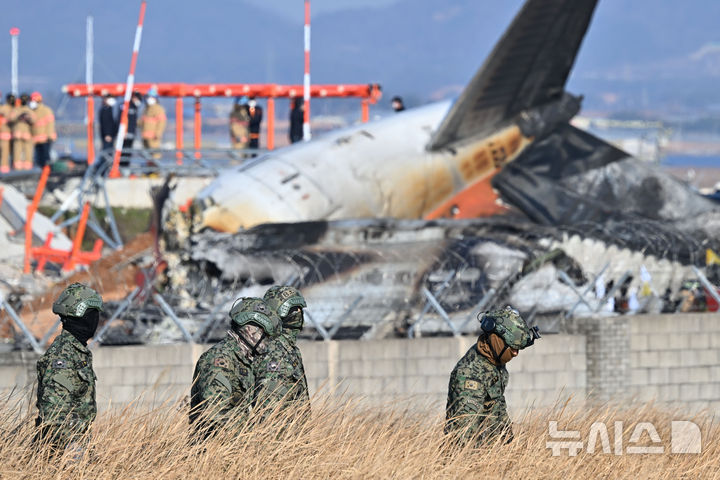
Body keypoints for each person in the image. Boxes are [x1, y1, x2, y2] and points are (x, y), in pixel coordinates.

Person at [445, 306, 539, 446]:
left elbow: (496, 409)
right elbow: (464, 440)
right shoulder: (471, 376)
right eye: (512, 348)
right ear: (497, 340)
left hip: (493, 453)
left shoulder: (493, 360)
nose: (515, 353)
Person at [189, 297, 281, 441]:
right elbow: (216, 413)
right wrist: (253, 435)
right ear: (248, 328)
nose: (267, 338)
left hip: (234, 452)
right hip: (212, 454)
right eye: (263, 332)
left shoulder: (244, 360)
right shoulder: (220, 359)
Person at [34, 283, 103, 453]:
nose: (96, 320)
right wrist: (73, 454)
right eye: (93, 315)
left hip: (76, 447)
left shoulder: (77, 351)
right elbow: (54, 414)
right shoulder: (62, 356)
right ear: (82, 316)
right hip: (60, 455)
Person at [254, 286, 311, 420]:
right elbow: (268, 412)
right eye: (295, 310)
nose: (299, 314)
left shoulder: (289, 349)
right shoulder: (275, 351)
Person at [29, 92, 56, 168]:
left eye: (33, 101)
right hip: (36, 140)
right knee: (38, 159)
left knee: (45, 158)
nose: (31, 103)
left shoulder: (46, 110)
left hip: (45, 140)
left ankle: (47, 172)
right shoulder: (32, 111)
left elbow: (50, 125)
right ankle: (41, 172)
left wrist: (49, 136)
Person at [138, 87, 166, 159]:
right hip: (145, 136)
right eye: (148, 97)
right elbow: (141, 122)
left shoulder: (158, 109)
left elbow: (161, 122)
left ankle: (155, 170)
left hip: (153, 137)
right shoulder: (146, 109)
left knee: (155, 154)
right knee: (147, 155)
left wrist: (158, 133)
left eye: (151, 97)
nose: (149, 99)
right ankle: (149, 169)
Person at [11, 93, 35, 170]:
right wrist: (19, 117)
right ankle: (19, 168)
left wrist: (28, 119)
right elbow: (11, 119)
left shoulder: (23, 110)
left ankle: (25, 167)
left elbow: (34, 120)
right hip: (21, 134)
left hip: (23, 134)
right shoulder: (20, 110)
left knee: (25, 151)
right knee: (19, 151)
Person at [120, 91, 142, 167]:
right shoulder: (126, 106)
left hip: (132, 134)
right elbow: (121, 119)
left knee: (128, 152)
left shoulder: (135, 108)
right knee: (124, 151)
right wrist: (123, 131)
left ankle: (125, 166)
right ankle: (122, 166)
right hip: (125, 134)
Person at [0, 93, 13, 172]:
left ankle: (4, 171)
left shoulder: (5, 108)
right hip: (4, 136)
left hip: (6, 136)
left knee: (5, 155)